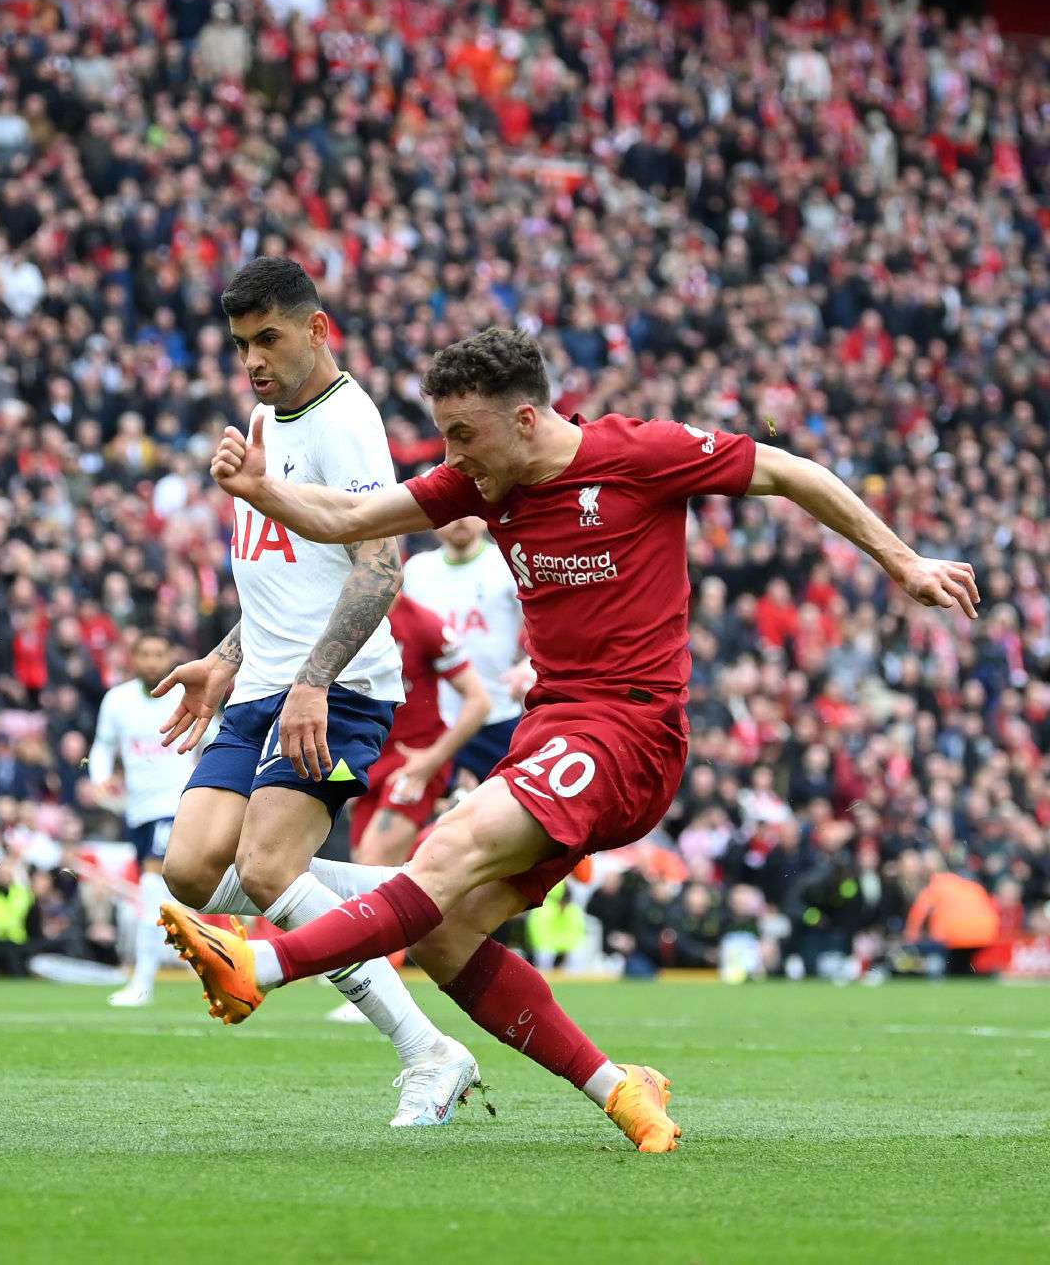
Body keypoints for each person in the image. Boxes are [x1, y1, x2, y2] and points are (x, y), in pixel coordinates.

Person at [168, 326, 979, 1152]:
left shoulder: (640, 454)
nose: (453, 455)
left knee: (448, 850)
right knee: (443, 930)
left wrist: (901, 560)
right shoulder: (485, 482)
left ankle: (260, 967)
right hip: (552, 731)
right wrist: (264, 491)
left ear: (525, 418)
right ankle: (618, 1088)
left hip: (630, 730)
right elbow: (354, 515)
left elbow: (788, 470)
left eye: (463, 434)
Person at [150, 257, 481, 1127]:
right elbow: (279, 570)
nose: (254, 359)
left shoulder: (346, 422)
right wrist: (224, 656)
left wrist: (313, 682)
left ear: (317, 329)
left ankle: (429, 1054)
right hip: (263, 680)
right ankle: (389, 890)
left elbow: (381, 565)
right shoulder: (267, 416)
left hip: (339, 690)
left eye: (269, 339)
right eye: (241, 344)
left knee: (265, 868)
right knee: (190, 871)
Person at [325, 595, 489, 1026]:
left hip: (413, 764)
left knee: (374, 862)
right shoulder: (344, 613)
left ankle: (376, 989)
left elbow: (479, 701)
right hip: (367, 762)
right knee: (371, 871)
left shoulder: (423, 623)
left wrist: (435, 758)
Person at [88, 631, 204, 1007]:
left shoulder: (186, 695)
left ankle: (142, 982)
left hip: (175, 806)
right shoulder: (117, 701)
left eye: (159, 653)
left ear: (169, 656)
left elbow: (215, 738)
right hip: (137, 810)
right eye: (146, 654)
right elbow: (103, 746)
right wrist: (100, 777)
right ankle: (214, 965)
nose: (153, 661)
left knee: (152, 890)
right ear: (133, 658)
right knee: (168, 896)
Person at [402, 517, 531, 790]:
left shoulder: (508, 563)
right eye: (448, 512)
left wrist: (528, 666)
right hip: (436, 721)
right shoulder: (416, 570)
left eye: (467, 509)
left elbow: (548, 626)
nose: (459, 518)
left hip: (498, 715)